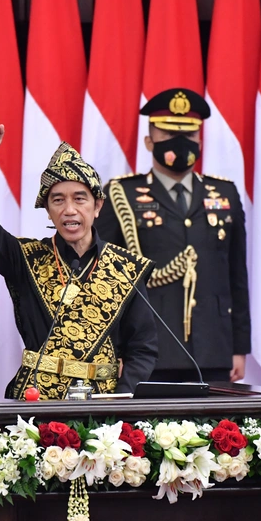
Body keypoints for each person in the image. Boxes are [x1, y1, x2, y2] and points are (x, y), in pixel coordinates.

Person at [0, 124, 158, 400]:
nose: (69, 210)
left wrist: (121, 402)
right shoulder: (26, 258)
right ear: (48, 211)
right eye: (58, 200)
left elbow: (142, 347)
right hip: (36, 405)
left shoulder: (125, 268)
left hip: (102, 411)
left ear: (98, 206)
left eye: (80, 199)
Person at [95, 87, 250, 383]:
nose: (181, 144)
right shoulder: (121, 194)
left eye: (189, 136)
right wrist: (111, 349)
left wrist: (239, 346)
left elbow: (236, 276)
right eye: (168, 136)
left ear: (200, 141)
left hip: (213, 347)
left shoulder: (225, 193)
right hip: (146, 349)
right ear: (149, 141)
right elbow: (106, 279)